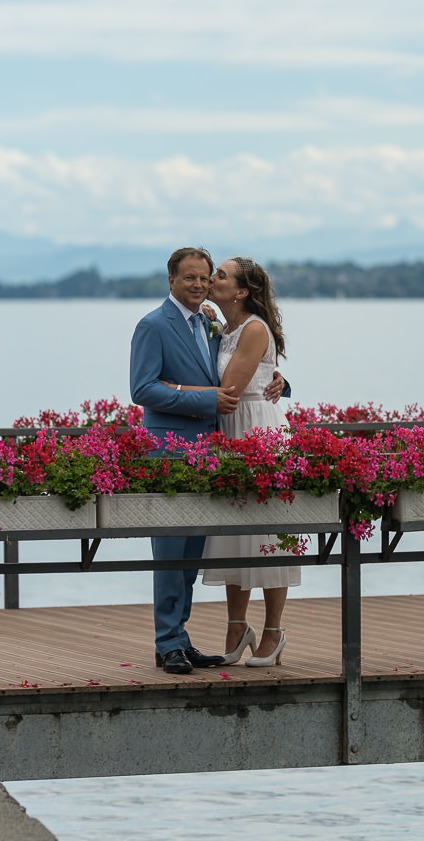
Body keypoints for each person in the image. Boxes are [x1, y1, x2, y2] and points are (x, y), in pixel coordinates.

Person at [129, 246, 285, 675]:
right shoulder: (153, 325)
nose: (199, 285)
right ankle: (168, 644)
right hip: (170, 449)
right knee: (169, 552)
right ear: (171, 281)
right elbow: (142, 390)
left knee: (193, 555)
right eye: (190, 278)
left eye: (205, 277)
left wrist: (280, 381)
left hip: (212, 449)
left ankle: (182, 637)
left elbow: (246, 370)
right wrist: (201, 398)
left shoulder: (213, 324)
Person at [198, 257, 295, 668]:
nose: (210, 279)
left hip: (257, 430)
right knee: (234, 534)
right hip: (231, 429)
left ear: (240, 292)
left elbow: (230, 387)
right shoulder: (226, 328)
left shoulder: (254, 328)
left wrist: (171, 387)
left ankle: (273, 630)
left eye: (219, 275)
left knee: (267, 536)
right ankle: (237, 628)